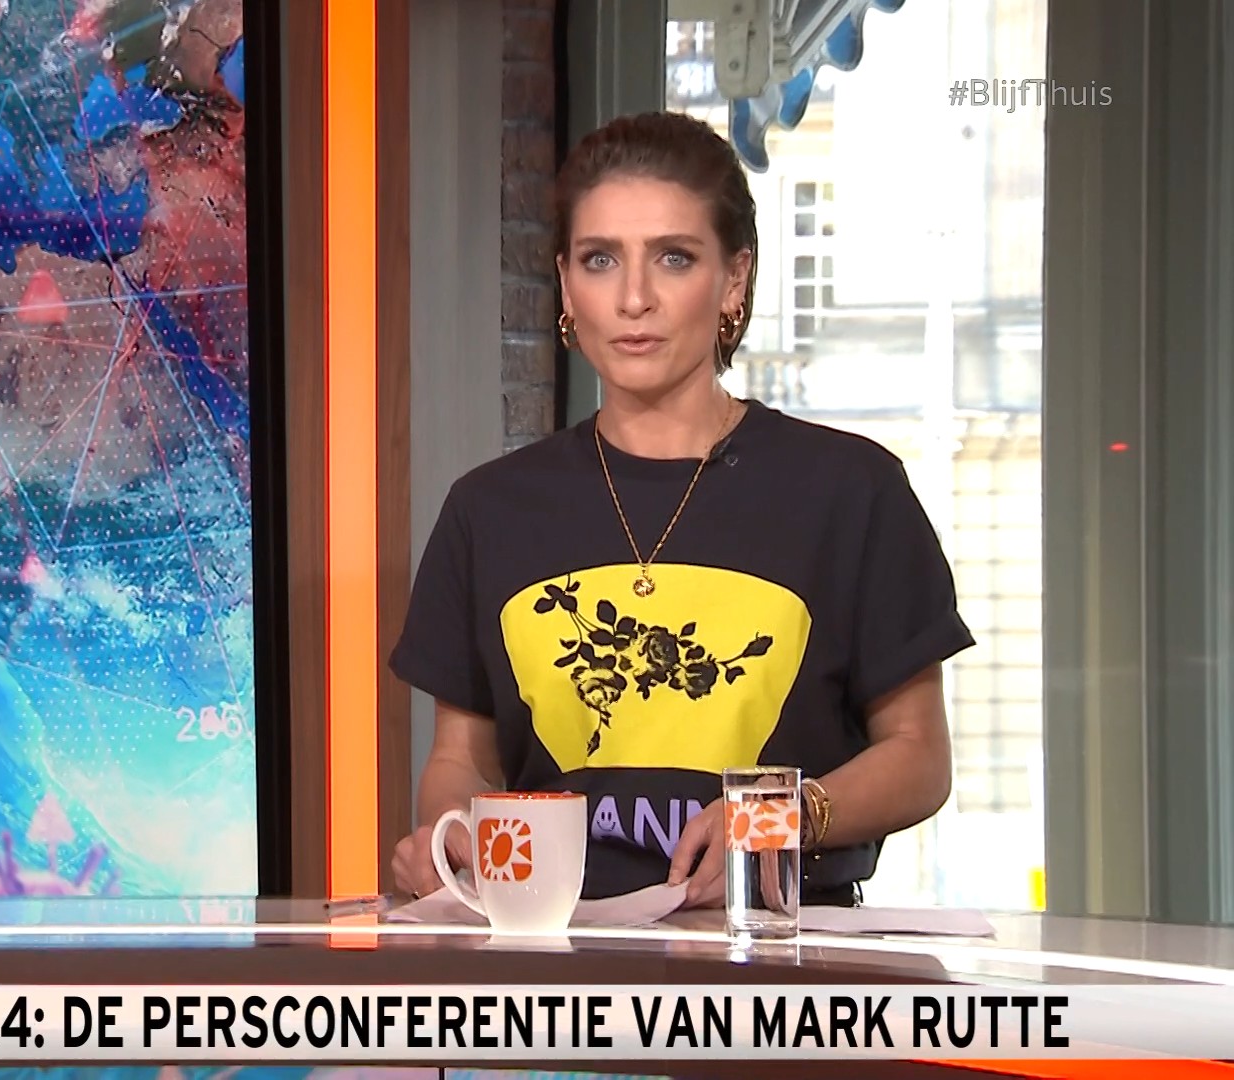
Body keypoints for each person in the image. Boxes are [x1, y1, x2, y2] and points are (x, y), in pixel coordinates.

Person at [388, 111, 972, 909]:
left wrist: (776, 818)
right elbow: (461, 761)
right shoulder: (488, 512)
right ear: (565, 284)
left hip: (776, 953)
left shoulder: (851, 491)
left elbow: (919, 756)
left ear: (733, 279)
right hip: (556, 953)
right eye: (600, 260)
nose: (634, 298)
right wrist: (453, 836)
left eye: (674, 258)